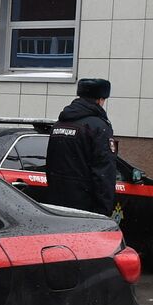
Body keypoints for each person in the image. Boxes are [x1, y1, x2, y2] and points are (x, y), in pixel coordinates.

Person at [45, 78, 116, 215]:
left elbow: (50, 163)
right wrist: (103, 210)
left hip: (56, 203)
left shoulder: (59, 124)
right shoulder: (98, 127)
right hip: (85, 207)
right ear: (100, 99)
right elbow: (104, 172)